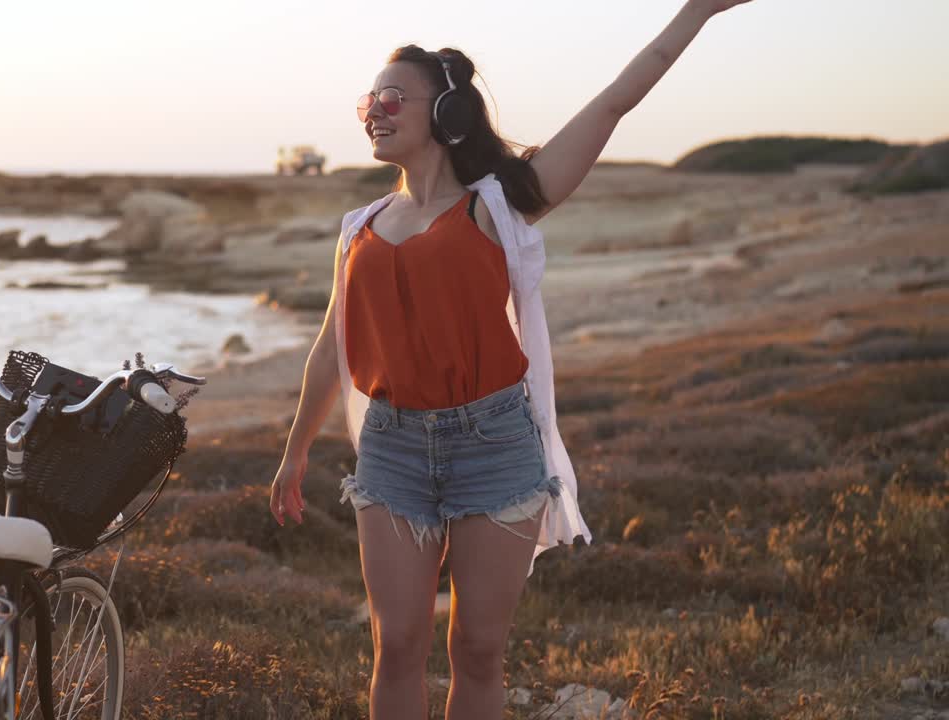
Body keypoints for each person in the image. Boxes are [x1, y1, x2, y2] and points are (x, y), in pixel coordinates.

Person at [269, 1, 755, 717]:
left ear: (449, 113)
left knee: (477, 651)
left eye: (393, 97)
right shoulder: (360, 228)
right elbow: (330, 346)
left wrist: (697, 12)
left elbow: (616, 101)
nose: (375, 110)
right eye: (370, 99)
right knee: (397, 646)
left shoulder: (500, 205)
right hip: (391, 451)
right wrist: (294, 453)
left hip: (493, 446)